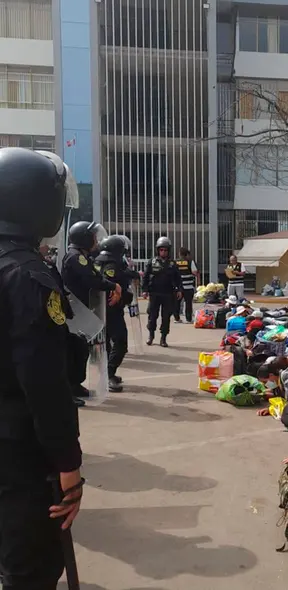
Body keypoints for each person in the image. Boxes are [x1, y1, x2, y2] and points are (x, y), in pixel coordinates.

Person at [0, 147, 85, 587]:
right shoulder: (28, 276)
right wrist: (68, 463)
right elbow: (45, 386)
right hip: (19, 449)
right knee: (30, 567)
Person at [61, 220, 122, 404]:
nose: (97, 240)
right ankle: (68, 392)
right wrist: (114, 286)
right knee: (73, 353)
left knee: (81, 352)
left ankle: (75, 385)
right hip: (74, 313)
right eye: (93, 237)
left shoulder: (82, 256)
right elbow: (91, 280)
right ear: (84, 238)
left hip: (83, 312)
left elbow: (96, 276)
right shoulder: (75, 257)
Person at [95, 236, 138, 393]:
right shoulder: (111, 265)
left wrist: (130, 274)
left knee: (106, 344)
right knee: (120, 343)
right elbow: (110, 284)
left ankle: (107, 373)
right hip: (111, 311)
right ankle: (109, 374)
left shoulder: (99, 261)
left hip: (101, 310)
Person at [141, 236, 182, 347]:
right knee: (152, 315)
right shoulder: (152, 262)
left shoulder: (172, 264)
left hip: (168, 294)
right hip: (154, 293)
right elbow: (145, 276)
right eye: (161, 250)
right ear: (158, 250)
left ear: (169, 250)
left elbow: (178, 278)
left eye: (165, 250)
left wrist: (179, 290)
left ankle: (163, 338)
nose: (163, 252)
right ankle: (151, 336)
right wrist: (144, 290)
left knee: (166, 317)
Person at [173, 247, 198, 323]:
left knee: (176, 303)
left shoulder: (175, 262)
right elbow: (195, 272)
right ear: (186, 254)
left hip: (178, 287)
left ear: (179, 254)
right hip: (188, 286)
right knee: (188, 303)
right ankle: (188, 319)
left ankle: (177, 318)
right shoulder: (190, 261)